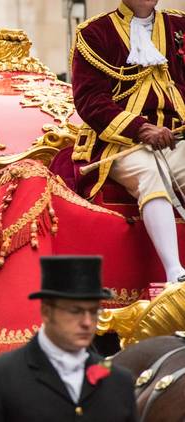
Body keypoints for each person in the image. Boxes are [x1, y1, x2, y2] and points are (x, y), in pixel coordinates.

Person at [71, 0, 185, 284]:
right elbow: (90, 101)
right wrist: (140, 128)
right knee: (151, 173)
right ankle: (175, 274)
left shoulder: (179, 26)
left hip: (176, 137)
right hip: (120, 143)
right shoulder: (95, 33)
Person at [0, 256, 137, 422]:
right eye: (75, 311)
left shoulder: (118, 381)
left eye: (93, 311)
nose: (87, 322)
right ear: (46, 312)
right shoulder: (0, 376)